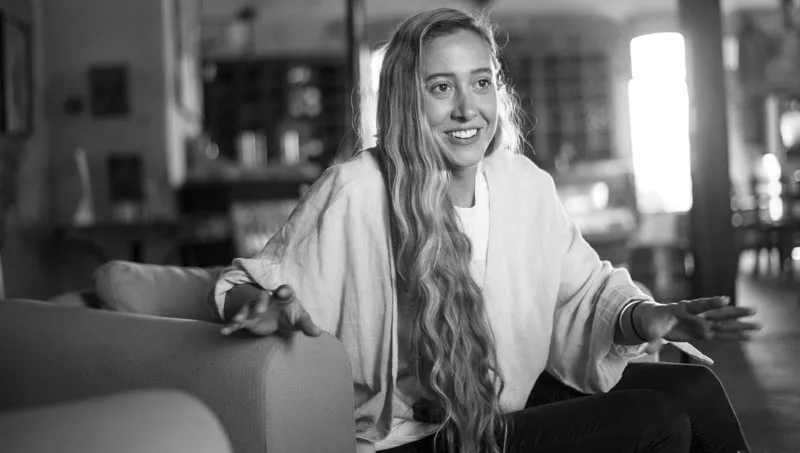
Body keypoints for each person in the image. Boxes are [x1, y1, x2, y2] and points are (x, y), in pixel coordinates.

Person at [209, 8, 759, 453]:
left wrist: (646, 316)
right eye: (440, 87)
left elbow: (586, 293)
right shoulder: (356, 190)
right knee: (652, 420)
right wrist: (260, 307)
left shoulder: (522, 184)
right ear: (406, 98)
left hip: (501, 404)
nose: (467, 108)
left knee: (694, 387)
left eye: (480, 82)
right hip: (412, 438)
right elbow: (248, 285)